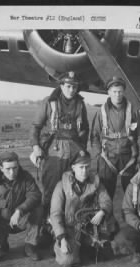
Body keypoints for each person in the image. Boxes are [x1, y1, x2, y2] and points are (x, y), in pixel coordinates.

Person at [29, 71, 89, 226]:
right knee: (50, 190)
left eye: (74, 87)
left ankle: (69, 225)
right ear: (61, 85)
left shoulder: (80, 104)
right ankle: (45, 226)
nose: (71, 90)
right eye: (68, 86)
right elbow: (35, 127)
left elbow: (84, 130)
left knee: (72, 189)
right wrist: (36, 147)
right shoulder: (49, 102)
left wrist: (82, 150)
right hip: (54, 150)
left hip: (74, 150)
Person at [50, 150, 116, 267]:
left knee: (106, 254)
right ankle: (59, 244)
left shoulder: (95, 183)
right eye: (81, 167)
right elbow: (55, 214)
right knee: (67, 261)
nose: (84, 171)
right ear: (73, 167)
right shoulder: (61, 186)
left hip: (89, 227)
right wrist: (62, 238)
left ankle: (84, 247)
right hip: (69, 228)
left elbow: (106, 200)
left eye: (87, 167)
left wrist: (102, 211)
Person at [90, 76, 140, 200]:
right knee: (105, 196)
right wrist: (98, 156)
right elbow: (94, 137)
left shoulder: (132, 111)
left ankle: (132, 219)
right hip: (107, 158)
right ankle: (107, 218)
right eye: (114, 92)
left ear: (124, 92)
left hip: (128, 158)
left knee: (132, 195)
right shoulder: (101, 112)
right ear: (109, 92)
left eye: (120, 91)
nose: (117, 95)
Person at [0, 152, 42, 262]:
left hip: (20, 220)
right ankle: (3, 242)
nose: (12, 172)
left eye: (15, 168)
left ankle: (30, 245)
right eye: (8, 169)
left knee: (38, 208)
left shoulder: (26, 177)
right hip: (1, 223)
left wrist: (20, 210)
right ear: (1, 168)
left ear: (18, 166)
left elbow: (35, 195)